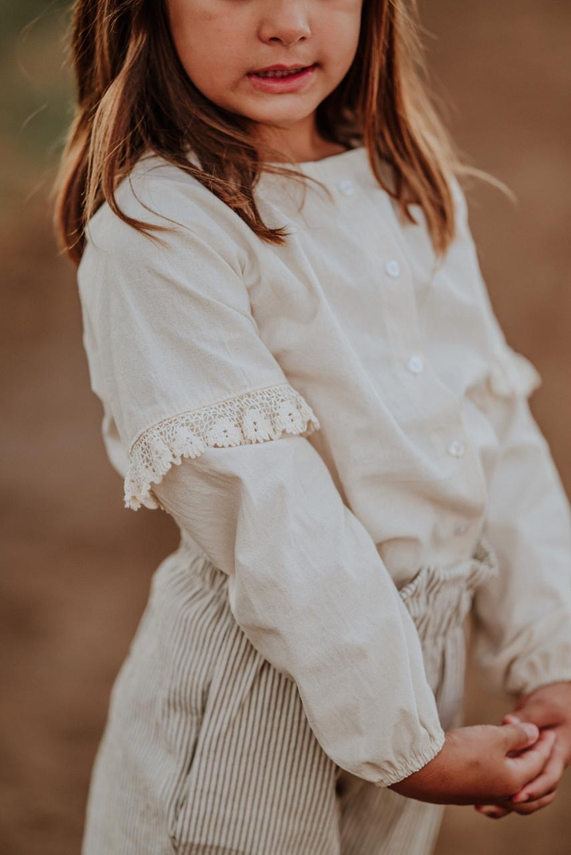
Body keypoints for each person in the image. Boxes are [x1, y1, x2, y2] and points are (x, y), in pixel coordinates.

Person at [53, 0, 571, 852]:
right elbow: (266, 502)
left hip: (410, 696)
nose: (288, 22)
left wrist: (550, 655)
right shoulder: (161, 223)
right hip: (252, 701)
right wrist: (400, 740)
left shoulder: (405, 184)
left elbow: (492, 429)